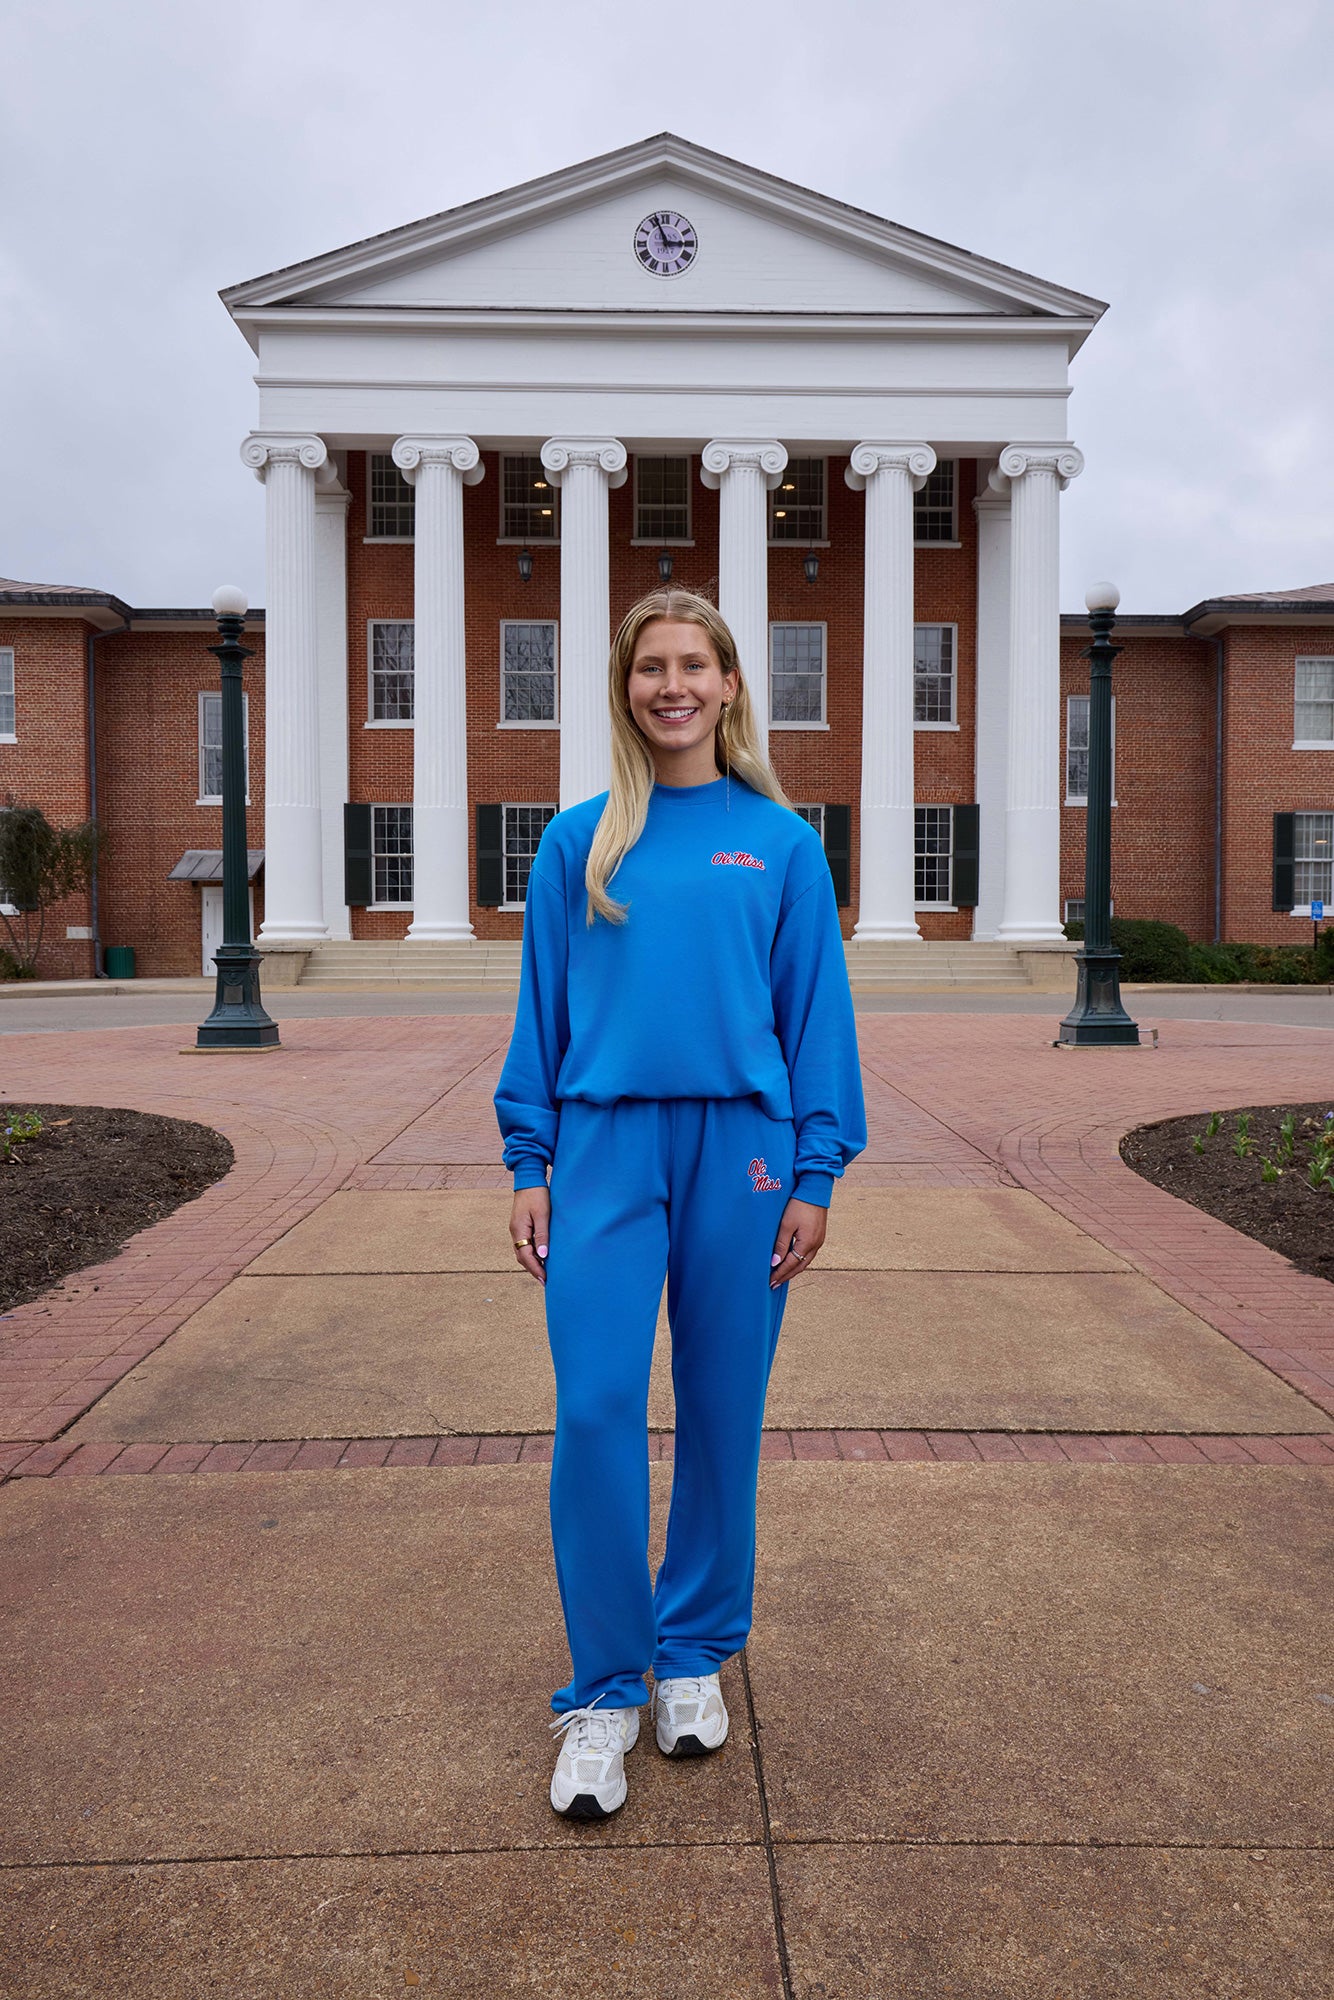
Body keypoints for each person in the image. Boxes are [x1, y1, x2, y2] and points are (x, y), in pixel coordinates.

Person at [493, 586, 866, 1821]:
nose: (672, 685)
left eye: (692, 665)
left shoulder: (780, 842)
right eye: (651, 666)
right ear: (625, 685)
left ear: (726, 687)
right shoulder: (577, 842)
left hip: (743, 1155)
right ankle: (603, 1688)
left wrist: (815, 1172)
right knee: (596, 1406)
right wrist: (527, 1159)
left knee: (720, 1408)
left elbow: (817, 1019)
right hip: (602, 1147)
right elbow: (539, 1011)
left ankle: (693, 1650)